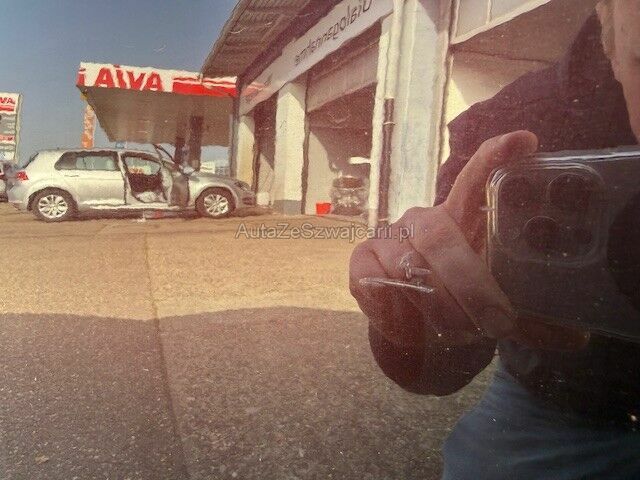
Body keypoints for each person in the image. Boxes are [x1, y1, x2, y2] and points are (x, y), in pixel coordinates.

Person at [349, 1, 640, 478]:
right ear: (608, 32)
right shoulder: (515, 124)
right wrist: (412, 317)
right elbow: (439, 358)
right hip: (570, 404)